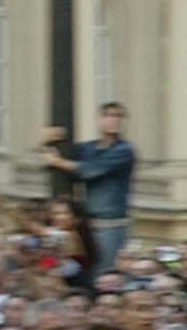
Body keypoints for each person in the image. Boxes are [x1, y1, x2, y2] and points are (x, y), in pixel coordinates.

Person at [42, 101, 137, 272]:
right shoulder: (89, 148)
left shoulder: (125, 150)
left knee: (103, 271)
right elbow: (65, 154)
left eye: (118, 116)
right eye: (108, 116)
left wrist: (58, 161)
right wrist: (46, 141)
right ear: (100, 120)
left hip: (110, 224)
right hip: (88, 222)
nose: (113, 120)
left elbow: (91, 170)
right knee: (77, 268)